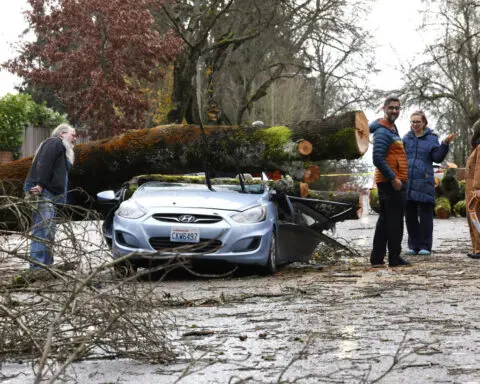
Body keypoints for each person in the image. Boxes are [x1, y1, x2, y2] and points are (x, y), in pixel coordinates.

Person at [403, 110, 456, 256]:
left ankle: (425, 245)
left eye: (417, 122)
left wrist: (445, 144)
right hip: (408, 181)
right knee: (410, 216)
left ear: (424, 122)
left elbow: (437, 157)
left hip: (425, 181)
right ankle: (413, 245)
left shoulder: (432, 138)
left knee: (426, 215)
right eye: (412, 122)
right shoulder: (406, 138)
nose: (415, 125)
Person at [23, 123, 77, 269]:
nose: (75, 139)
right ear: (62, 134)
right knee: (42, 230)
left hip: (50, 193)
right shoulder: (55, 142)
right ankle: (37, 268)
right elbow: (44, 162)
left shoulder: (62, 148)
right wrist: (40, 184)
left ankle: (46, 266)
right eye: (73, 135)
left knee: (50, 231)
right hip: (42, 190)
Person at [369, 96, 409, 267]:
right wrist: (393, 179)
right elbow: (377, 158)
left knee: (385, 220)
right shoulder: (383, 130)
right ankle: (394, 257)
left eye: (397, 108)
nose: (394, 111)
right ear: (383, 108)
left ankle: (377, 258)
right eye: (391, 107)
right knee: (395, 221)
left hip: (393, 180)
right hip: (390, 182)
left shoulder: (392, 128)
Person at [466, 119, 480, 258]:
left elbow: (479, 169)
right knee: (473, 217)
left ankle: (479, 248)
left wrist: (478, 187)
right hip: (471, 189)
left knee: (477, 217)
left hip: (475, 190)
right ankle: (476, 248)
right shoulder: (476, 148)